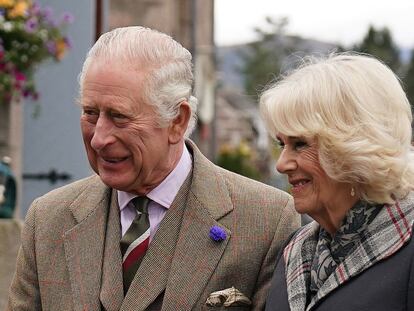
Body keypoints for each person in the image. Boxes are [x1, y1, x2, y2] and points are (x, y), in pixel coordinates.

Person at [7, 26, 300, 310]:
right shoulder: (47, 220)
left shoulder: (266, 220)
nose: (99, 138)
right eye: (90, 113)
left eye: (119, 116)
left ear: (177, 121)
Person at [260, 53, 414, 311]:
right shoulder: (294, 250)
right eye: (281, 144)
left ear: (355, 148)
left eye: (300, 144)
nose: (281, 163)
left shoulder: (407, 247)